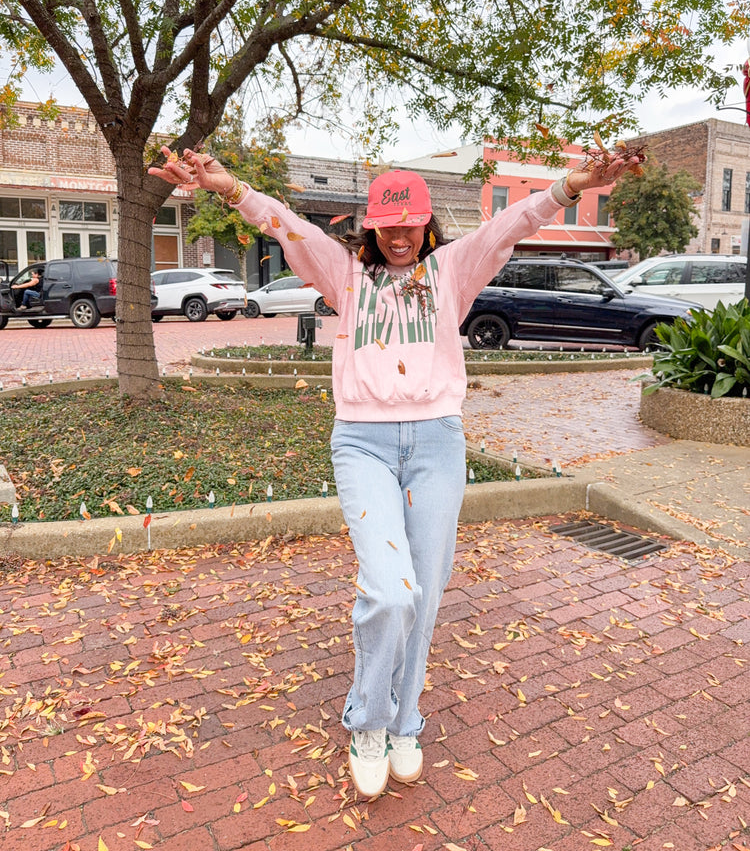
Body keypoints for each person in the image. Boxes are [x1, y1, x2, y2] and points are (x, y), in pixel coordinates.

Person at [149, 142, 640, 799]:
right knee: (390, 591)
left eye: (412, 222)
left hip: (437, 443)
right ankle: (368, 719)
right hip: (364, 445)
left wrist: (569, 186)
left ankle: (406, 718)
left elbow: (507, 227)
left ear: (427, 222)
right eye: (390, 222)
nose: (402, 234)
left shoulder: (451, 271)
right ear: (373, 225)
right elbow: (286, 225)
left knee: (427, 594)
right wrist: (228, 186)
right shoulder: (345, 276)